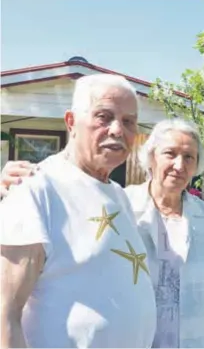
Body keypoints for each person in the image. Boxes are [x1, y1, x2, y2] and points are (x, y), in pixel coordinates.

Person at [1, 119, 204, 348]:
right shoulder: (121, 204)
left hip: (194, 342)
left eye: (189, 157)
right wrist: (27, 180)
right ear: (151, 158)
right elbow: (72, 196)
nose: (179, 165)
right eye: (170, 153)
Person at [0, 74, 157, 348]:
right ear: (71, 122)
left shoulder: (119, 194)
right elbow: (4, 314)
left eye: (128, 121)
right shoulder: (36, 189)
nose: (118, 130)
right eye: (103, 117)